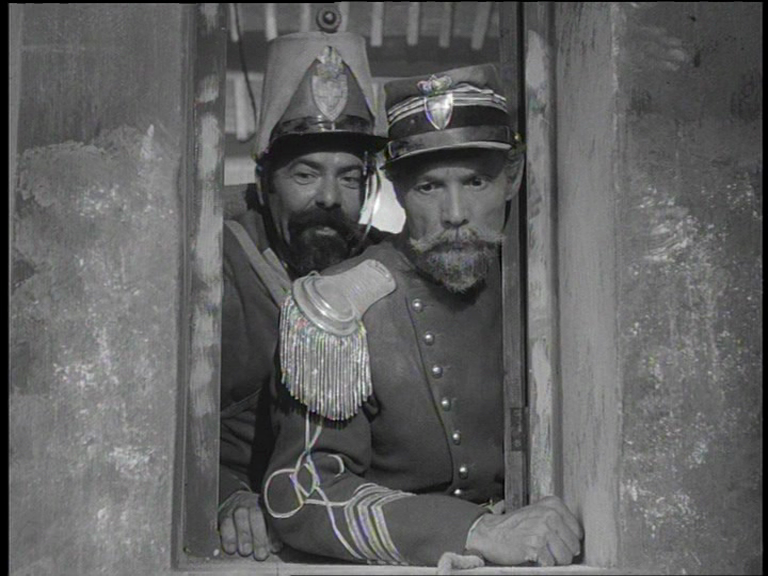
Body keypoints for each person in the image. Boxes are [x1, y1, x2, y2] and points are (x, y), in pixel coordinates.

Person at [262, 63, 583, 567]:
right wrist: (473, 530)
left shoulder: (555, 290)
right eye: (429, 187)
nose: (455, 213)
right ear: (396, 187)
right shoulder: (337, 305)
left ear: (513, 177)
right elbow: (300, 494)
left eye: (476, 181)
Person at [218, 29, 388, 559]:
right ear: (265, 180)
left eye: (350, 177)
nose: (329, 198)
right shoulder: (214, 264)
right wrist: (222, 496)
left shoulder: (385, 267)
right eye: (306, 173)